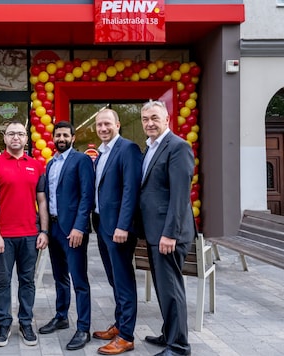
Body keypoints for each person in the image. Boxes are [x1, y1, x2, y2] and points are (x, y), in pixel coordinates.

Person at [0, 120, 49, 348]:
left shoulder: (36, 165)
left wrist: (44, 231)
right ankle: (4, 323)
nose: (16, 137)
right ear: (4, 137)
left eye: (20, 134)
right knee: (2, 281)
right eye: (11, 134)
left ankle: (26, 323)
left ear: (26, 138)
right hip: (4, 236)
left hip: (30, 235)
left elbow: (42, 200)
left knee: (27, 281)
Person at [139, 100, 194, 356]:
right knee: (163, 288)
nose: (149, 123)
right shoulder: (150, 148)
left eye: (154, 118)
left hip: (168, 234)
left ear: (167, 120)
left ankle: (179, 346)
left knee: (171, 289)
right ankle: (169, 333)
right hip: (154, 232)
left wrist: (170, 233)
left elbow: (180, 195)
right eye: (145, 119)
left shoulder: (178, 147)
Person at [39, 121, 95, 351]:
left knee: (79, 280)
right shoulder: (50, 164)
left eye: (65, 135)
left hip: (73, 231)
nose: (61, 138)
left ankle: (83, 328)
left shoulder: (81, 160)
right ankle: (62, 316)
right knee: (59, 277)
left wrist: (79, 227)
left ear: (73, 137)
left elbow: (86, 196)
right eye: (58, 135)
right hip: (53, 229)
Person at [91, 108, 142, 355]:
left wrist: (123, 225)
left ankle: (126, 336)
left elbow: (131, 190)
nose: (103, 128)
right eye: (99, 125)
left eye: (107, 124)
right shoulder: (102, 154)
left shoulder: (128, 149)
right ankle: (119, 324)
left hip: (118, 229)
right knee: (114, 279)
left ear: (118, 124)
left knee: (123, 280)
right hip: (103, 225)